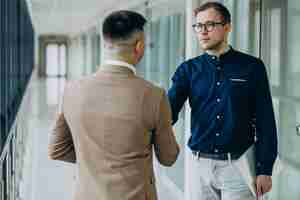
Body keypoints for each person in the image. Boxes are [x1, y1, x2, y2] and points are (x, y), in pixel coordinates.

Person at [48, 10, 179, 200]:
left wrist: (92, 158)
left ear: (104, 44)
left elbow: (56, 150)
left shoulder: (71, 91)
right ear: (139, 47)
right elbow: (168, 157)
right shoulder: (154, 95)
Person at [168, 2, 277, 200]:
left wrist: (265, 169)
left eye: (210, 24)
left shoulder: (252, 67)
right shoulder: (188, 70)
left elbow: (265, 120)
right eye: (198, 26)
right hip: (199, 167)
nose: (203, 31)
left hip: (238, 166)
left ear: (227, 26)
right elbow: (168, 112)